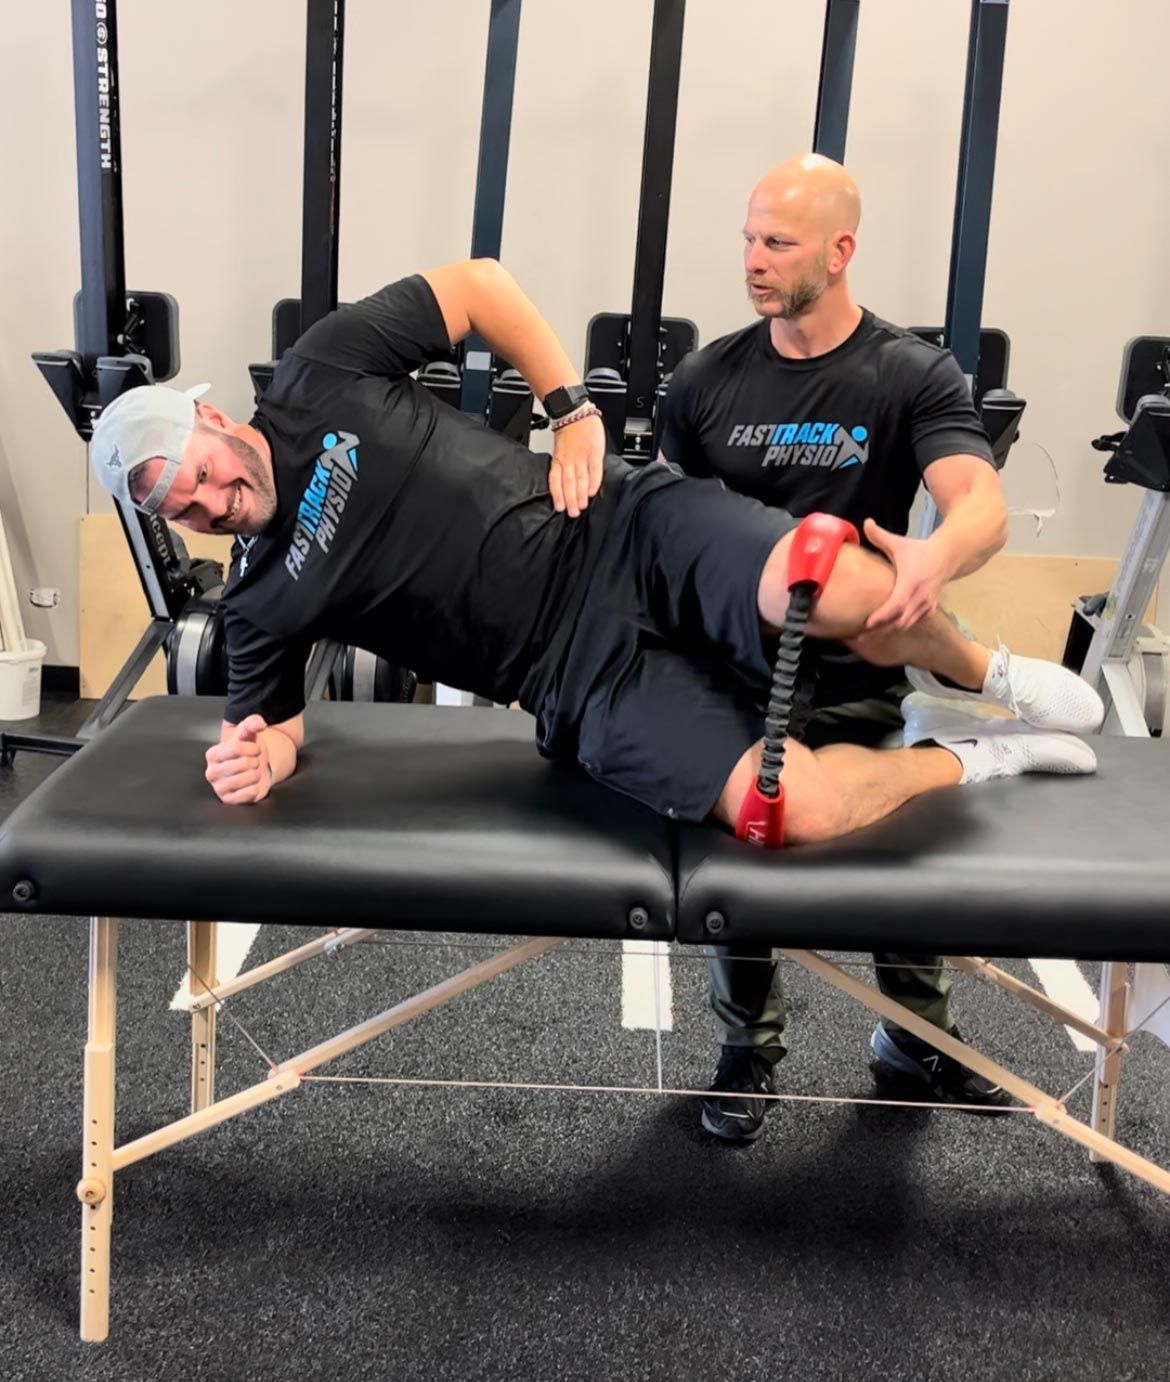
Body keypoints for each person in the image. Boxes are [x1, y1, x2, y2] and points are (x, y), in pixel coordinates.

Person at [88, 256, 1097, 910]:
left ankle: (987, 668)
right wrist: (257, 760)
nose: (211, 502)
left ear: (215, 422)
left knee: (826, 574)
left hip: (621, 528)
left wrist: (571, 409)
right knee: (785, 814)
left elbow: (479, 286)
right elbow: (276, 725)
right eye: (184, 509)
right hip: (574, 675)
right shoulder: (259, 599)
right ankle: (973, 759)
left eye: (202, 474)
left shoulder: (318, 373)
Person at [655, 154, 1092, 1141]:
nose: (753, 259)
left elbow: (978, 503)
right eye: (748, 236)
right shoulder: (706, 380)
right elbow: (659, 528)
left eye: (779, 242)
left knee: (905, 862)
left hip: (866, 674)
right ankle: (749, 1049)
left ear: (841, 250)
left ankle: (917, 1041)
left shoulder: (907, 372)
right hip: (739, 676)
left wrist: (932, 562)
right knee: (750, 866)